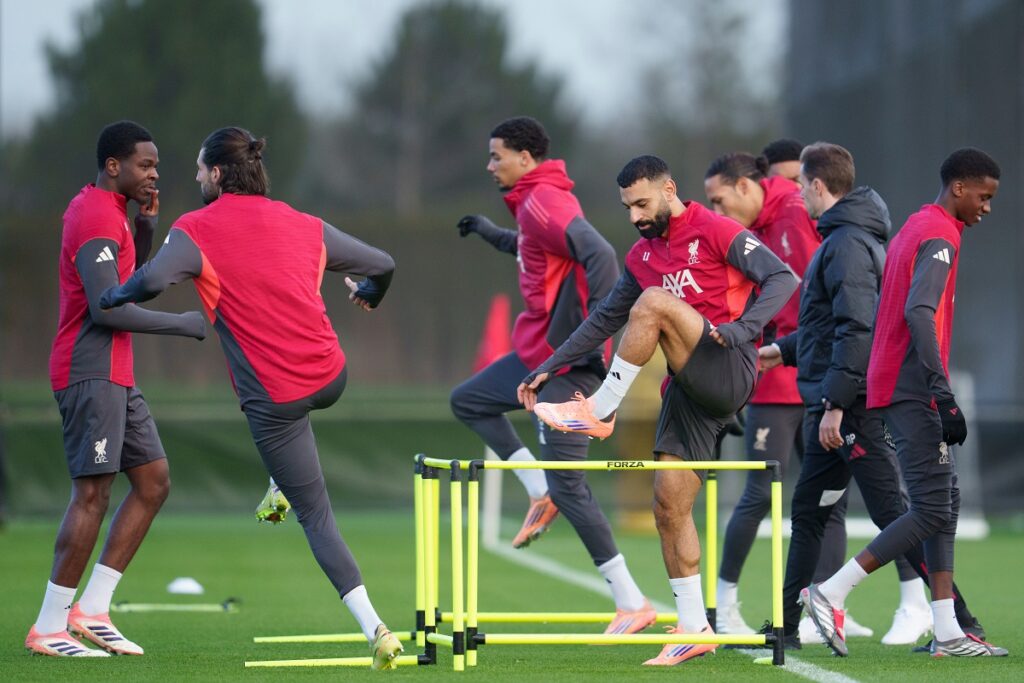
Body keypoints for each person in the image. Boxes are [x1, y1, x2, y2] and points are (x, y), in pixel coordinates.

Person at [99, 126, 404, 669]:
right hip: (332, 375)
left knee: (316, 514)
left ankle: (376, 628)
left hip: (276, 399)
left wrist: (111, 295)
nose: (193, 178)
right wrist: (370, 298)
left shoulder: (194, 228)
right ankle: (279, 482)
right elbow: (382, 264)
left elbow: (147, 285)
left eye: (198, 169)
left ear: (217, 174)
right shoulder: (304, 223)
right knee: (292, 452)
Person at [520, 155, 798, 666]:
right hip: (687, 391)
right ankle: (694, 628)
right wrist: (549, 366)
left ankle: (599, 410)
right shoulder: (642, 254)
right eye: (627, 207)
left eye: (642, 204)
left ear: (669, 189)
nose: (634, 216)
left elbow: (782, 279)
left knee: (652, 302)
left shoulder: (716, 229)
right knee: (669, 507)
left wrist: (744, 329)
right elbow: (605, 318)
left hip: (728, 365)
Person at [800, 148, 1006, 658]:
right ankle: (830, 592)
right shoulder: (938, 235)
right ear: (959, 188)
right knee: (933, 506)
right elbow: (918, 312)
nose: (987, 207)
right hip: (912, 390)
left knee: (944, 503)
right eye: (984, 196)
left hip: (897, 386)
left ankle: (948, 631)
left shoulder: (918, 224)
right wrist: (942, 392)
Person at [451, 117, 654, 635]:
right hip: (533, 358)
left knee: (572, 489)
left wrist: (596, 336)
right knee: (469, 401)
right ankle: (536, 488)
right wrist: (489, 232)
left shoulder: (545, 201)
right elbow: (534, 251)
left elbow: (600, 254)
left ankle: (633, 603)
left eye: (497, 156)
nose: (490, 165)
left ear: (525, 157)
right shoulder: (533, 202)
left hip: (563, 367)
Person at [26, 121, 207, 657]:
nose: (155, 173)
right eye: (145, 165)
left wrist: (147, 229)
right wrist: (180, 325)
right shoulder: (92, 216)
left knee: (152, 481)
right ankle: (48, 625)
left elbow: (128, 281)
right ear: (113, 166)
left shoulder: (118, 216)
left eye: (156, 165)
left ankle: (93, 610)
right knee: (92, 494)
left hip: (117, 374)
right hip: (88, 370)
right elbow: (108, 309)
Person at [702, 151, 864, 640]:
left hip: (806, 375)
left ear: (748, 187)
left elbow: (815, 298)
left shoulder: (792, 215)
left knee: (828, 501)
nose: (717, 212)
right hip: (778, 379)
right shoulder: (762, 223)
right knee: (760, 493)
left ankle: (824, 605)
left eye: (720, 200)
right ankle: (723, 607)